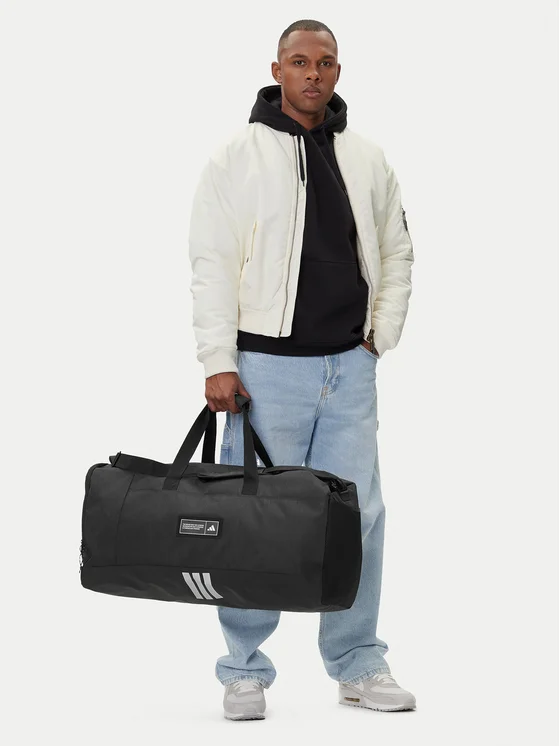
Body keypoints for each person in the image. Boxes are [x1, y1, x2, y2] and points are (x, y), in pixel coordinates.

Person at [188, 18, 416, 721]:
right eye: (298, 61)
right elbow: (211, 263)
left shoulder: (367, 157)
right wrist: (218, 359)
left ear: (337, 72)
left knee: (358, 517)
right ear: (277, 70)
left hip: (348, 367)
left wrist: (379, 335)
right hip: (266, 371)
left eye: (325, 62)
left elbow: (396, 250)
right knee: (253, 517)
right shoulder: (236, 157)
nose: (312, 73)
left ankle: (357, 661)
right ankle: (243, 670)